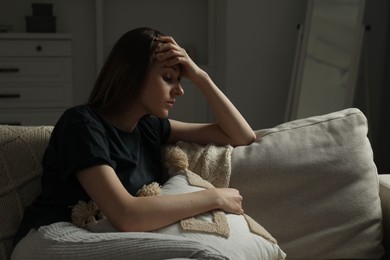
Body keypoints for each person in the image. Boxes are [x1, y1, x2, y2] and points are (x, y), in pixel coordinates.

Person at [12, 27, 256, 257]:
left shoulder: (150, 128)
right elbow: (126, 214)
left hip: (101, 236)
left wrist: (201, 76)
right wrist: (213, 198)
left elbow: (241, 135)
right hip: (51, 238)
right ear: (132, 74)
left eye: (180, 80)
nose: (179, 91)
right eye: (168, 78)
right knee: (199, 253)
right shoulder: (82, 124)